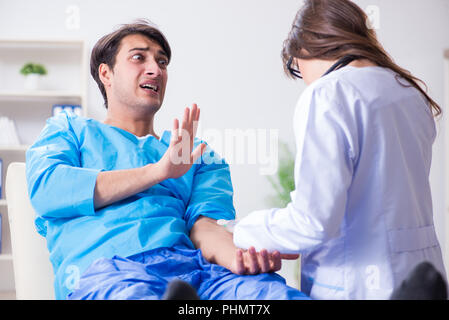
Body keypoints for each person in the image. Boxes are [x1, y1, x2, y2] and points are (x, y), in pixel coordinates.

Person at [25, 20, 307, 300]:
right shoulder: (69, 130)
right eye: (139, 57)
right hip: (109, 273)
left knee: (268, 294)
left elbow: (205, 226)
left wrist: (238, 258)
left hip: (197, 273)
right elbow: (48, 189)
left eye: (162, 62)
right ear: (106, 73)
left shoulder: (197, 153)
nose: (155, 69)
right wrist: (159, 171)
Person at [232, 0, 448, 300]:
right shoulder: (408, 92)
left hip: (358, 286)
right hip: (425, 276)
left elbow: (313, 222)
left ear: (302, 51)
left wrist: (242, 229)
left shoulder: (327, 94)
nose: (303, 80)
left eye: (296, 70)